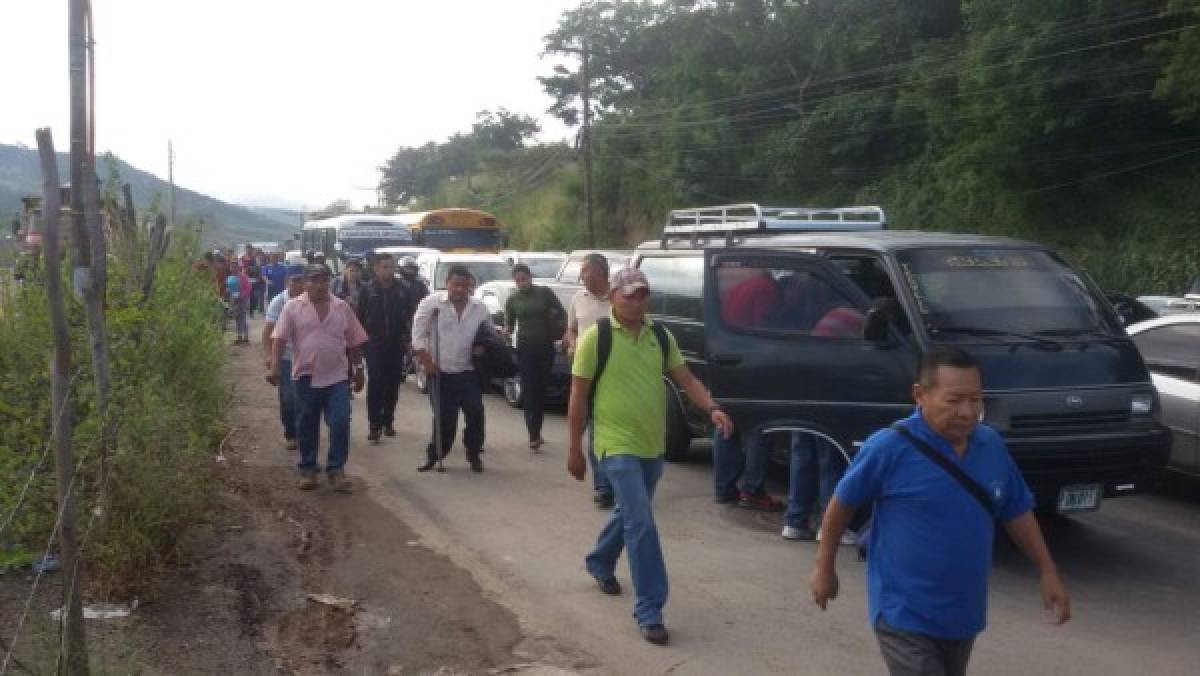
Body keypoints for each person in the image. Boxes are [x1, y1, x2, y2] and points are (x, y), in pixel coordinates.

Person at [810, 347, 1070, 676]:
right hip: (904, 613)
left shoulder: (990, 446)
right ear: (920, 395)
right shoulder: (889, 447)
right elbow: (842, 503)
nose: (967, 411)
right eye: (954, 400)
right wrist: (824, 567)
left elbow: (1016, 510)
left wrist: (1047, 571)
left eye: (975, 400)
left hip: (963, 615)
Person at [566, 268, 734, 647]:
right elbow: (577, 396)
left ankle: (599, 561)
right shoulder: (598, 338)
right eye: (628, 295)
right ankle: (650, 609)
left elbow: (686, 378)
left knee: (630, 513)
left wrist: (712, 409)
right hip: (615, 443)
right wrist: (575, 449)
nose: (636, 301)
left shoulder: (660, 335)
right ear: (613, 297)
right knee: (641, 522)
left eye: (642, 295)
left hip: (651, 446)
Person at [267, 264, 368, 492]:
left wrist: (359, 370)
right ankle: (308, 468)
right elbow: (279, 340)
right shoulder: (292, 308)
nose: (321, 285)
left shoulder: (341, 307)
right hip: (306, 376)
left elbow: (353, 342)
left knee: (341, 421)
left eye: (324, 280)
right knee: (306, 424)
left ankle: (336, 470)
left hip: (337, 377)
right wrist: (274, 366)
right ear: (305, 283)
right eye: (315, 280)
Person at [411, 265, 492, 473]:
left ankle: (473, 453)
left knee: (475, 413)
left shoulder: (480, 308)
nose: (460, 289)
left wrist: (484, 349)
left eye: (465, 286)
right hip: (440, 372)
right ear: (447, 283)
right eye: (456, 285)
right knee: (445, 418)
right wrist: (427, 362)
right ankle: (435, 454)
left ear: (470, 287)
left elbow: (487, 335)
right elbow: (418, 336)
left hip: (468, 372)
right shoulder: (431, 304)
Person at [566, 253, 615, 508]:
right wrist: (573, 343)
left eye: (585, 271)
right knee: (593, 428)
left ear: (600, 272)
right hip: (585, 372)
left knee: (603, 428)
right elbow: (571, 329)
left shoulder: (619, 297)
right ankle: (603, 486)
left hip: (613, 371)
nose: (582, 276)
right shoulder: (577, 298)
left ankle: (610, 483)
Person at [504, 263, 566, 451]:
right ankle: (533, 434)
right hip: (525, 348)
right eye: (518, 280)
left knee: (541, 389)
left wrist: (562, 333)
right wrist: (505, 332)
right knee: (530, 390)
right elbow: (509, 323)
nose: (522, 283)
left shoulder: (544, 293)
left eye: (524, 279)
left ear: (531, 277)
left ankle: (537, 428)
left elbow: (561, 313)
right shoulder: (513, 299)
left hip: (546, 346)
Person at [357, 254, 413, 442]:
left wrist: (409, 339)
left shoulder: (403, 290)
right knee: (376, 380)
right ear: (376, 269)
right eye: (384, 267)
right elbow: (359, 317)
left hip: (396, 343)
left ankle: (388, 420)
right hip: (373, 342)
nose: (388, 270)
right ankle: (374, 424)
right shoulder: (367, 290)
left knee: (392, 383)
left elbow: (411, 315)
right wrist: (360, 342)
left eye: (391, 266)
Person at [263, 273, 306, 450]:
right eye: (295, 281)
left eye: (302, 281)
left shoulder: (310, 300)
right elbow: (267, 333)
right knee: (288, 397)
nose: (300, 285)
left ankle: (303, 432)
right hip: (285, 356)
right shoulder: (279, 302)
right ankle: (290, 432)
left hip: (306, 356)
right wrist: (270, 357)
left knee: (304, 397)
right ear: (288, 282)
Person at [225, 263, 250, 344]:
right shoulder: (229, 277)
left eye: (234, 267)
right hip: (233, 300)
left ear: (237, 268)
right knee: (237, 318)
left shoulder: (243, 277)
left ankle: (245, 337)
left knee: (242, 317)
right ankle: (239, 336)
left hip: (242, 299)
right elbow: (229, 288)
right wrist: (228, 291)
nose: (232, 269)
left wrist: (241, 295)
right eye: (231, 267)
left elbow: (248, 288)